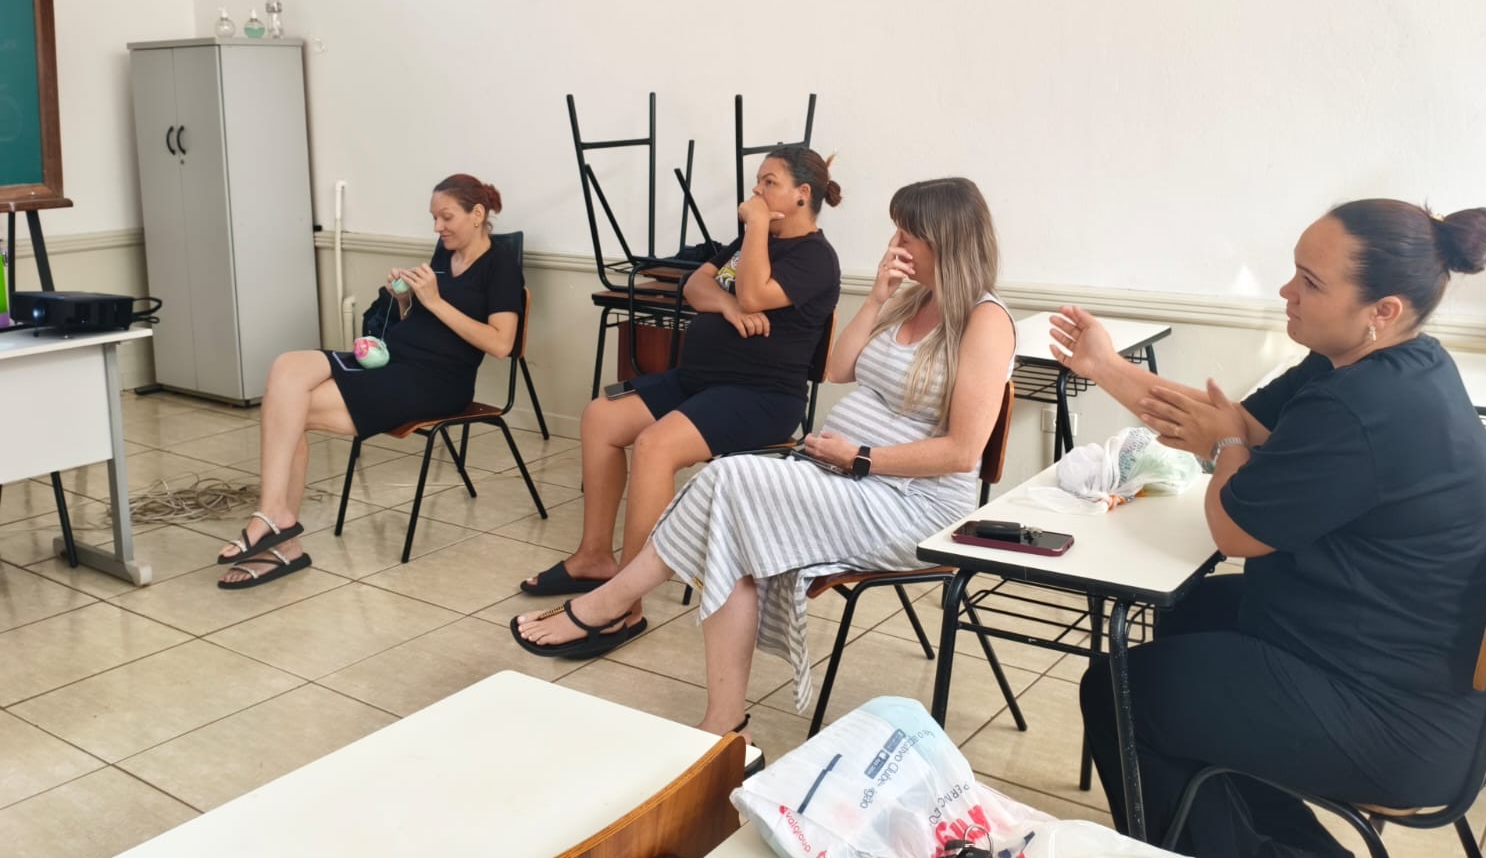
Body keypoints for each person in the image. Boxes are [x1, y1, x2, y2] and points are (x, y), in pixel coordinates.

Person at [1052, 199, 1486, 857]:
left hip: (1394, 718)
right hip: (1393, 659)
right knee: (1190, 612)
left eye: (1311, 283)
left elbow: (1235, 528)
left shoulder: (1365, 406)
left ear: (1382, 310)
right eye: (1295, 271)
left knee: (1118, 693)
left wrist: (1229, 444)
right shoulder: (1376, 363)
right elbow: (1229, 421)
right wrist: (1105, 367)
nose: (1287, 291)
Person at [510, 177, 1013, 739]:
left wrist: (860, 457)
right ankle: (723, 723)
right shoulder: (910, 299)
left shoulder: (985, 321)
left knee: (730, 478)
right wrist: (876, 297)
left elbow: (962, 452)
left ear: (944, 239)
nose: (896, 243)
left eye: (908, 233)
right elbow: (837, 369)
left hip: (913, 507)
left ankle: (612, 603)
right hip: (846, 477)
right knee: (733, 525)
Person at [515, 145, 842, 652]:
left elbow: (755, 294)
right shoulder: (748, 241)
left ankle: (624, 604)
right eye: (757, 181)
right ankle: (594, 557)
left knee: (654, 446)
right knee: (600, 417)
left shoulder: (816, 258)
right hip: (699, 381)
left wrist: (755, 230)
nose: (756, 191)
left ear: (802, 194)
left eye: (769, 182)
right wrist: (728, 308)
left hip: (760, 396)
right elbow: (695, 285)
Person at [216, 174, 523, 588]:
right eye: (434, 218)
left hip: (437, 382)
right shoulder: (444, 251)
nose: (438, 227)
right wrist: (406, 300)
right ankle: (275, 517)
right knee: (287, 367)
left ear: (478, 214)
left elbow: (501, 344)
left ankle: (280, 534)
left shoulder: (501, 267)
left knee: (289, 408)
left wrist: (434, 301)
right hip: (394, 360)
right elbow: (422, 321)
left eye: (446, 217)